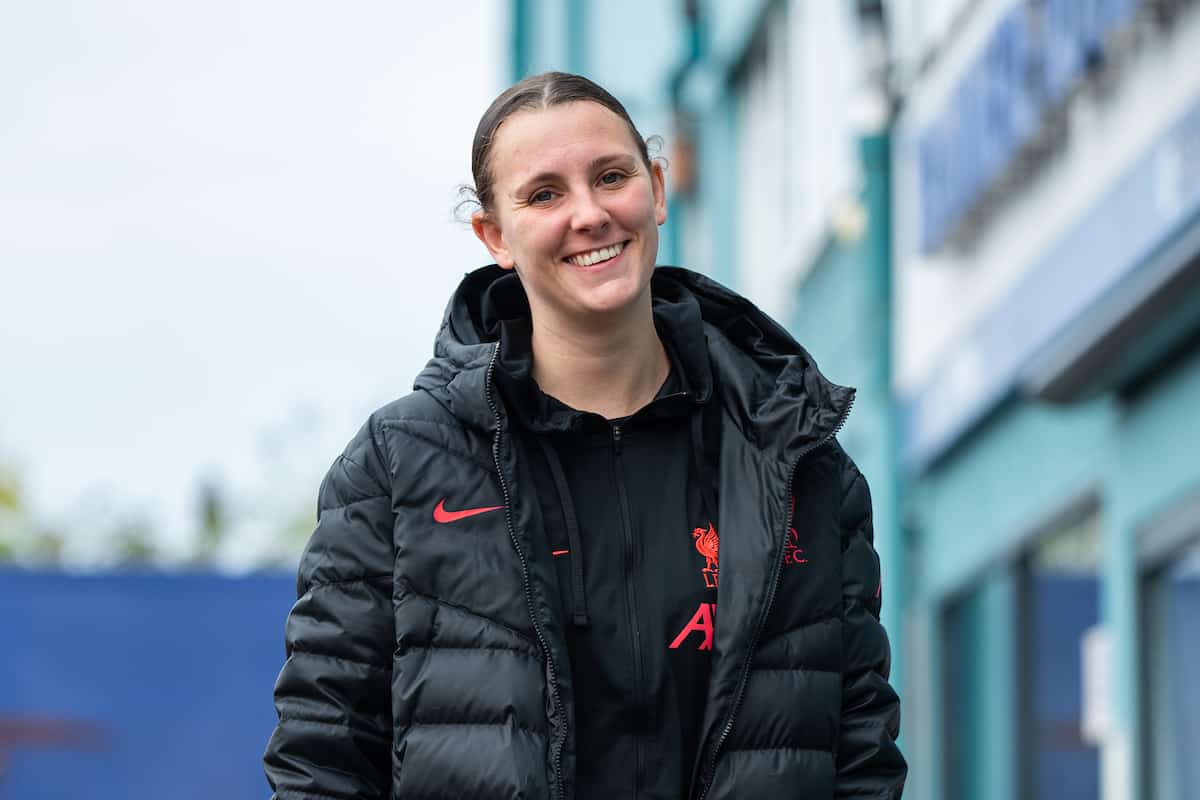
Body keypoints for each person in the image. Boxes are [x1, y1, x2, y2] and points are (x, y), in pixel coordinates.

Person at [263, 71, 905, 799]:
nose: (590, 214)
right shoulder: (401, 466)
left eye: (611, 176)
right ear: (494, 235)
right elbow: (323, 752)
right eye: (545, 194)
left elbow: (859, 750)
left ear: (656, 188)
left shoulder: (795, 457)